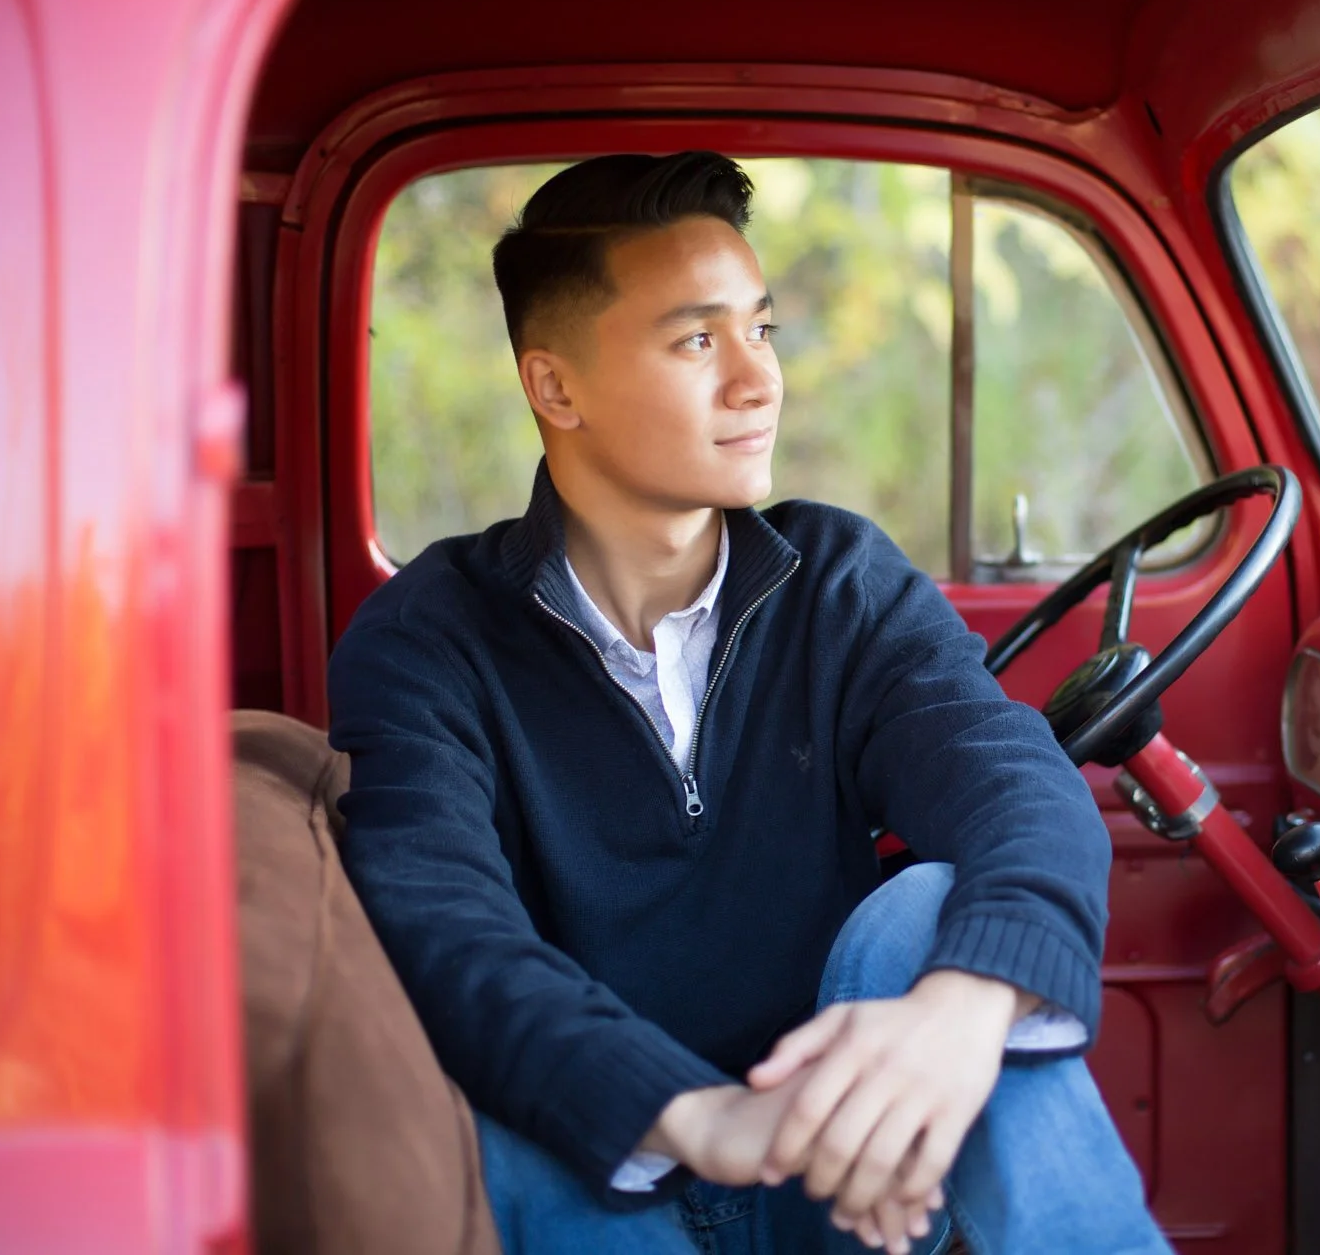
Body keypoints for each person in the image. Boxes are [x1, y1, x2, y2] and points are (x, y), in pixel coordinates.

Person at [327, 152, 1171, 1255]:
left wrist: (963, 1008)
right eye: (696, 339)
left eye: (760, 330)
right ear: (555, 388)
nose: (758, 378)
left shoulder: (838, 581)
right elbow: (443, 929)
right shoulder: (429, 636)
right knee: (484, 1091)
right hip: (603, 1172)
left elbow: (1013, 780)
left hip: (842, 1163)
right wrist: (700, 1114)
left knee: (926, 919)